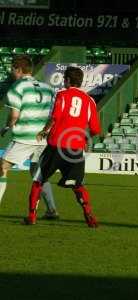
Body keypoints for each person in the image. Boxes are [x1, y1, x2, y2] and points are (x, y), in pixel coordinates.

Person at [23, 66, 101, 227]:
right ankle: (89, 215)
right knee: (78, 184)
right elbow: (95, 129)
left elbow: (55, 116)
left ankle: (31, 216)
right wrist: (85, 140)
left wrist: (44, 131)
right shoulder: (90, 100)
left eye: (64, 79)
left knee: (38, 179)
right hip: (75, 149)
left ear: (67, 80)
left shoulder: (61, 95)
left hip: (56, 145)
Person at [0, 55, 59, 219]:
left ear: (17, 69)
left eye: (12, 68)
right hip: (43, 138)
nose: (11, 72)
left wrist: (6, 127)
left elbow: (14, 115)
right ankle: (52, 210)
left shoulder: (17, 87)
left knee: (2, 168)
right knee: (38, 173)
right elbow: (52, 115)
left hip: (24, 138)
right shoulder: (47, 88)